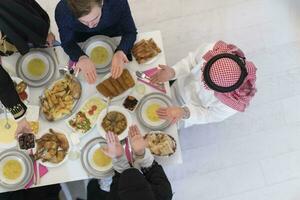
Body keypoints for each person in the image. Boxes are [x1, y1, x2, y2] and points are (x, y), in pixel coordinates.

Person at [150, 41, 257, 128]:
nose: (201, 81)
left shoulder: (234, 102)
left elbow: (209, 115)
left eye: (206, 83)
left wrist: (184, 112)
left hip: (190, 110)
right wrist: (173, 72)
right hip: (178, 86)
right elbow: (191, 61)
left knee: (164, 127)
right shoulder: (213, 50)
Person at [0, 0, 56, 135]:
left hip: (16, 23)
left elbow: (33, 12)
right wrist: (20, 118)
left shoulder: (9, 5)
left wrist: (45, 32)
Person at [55, 0, 137, 84]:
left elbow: (130, 32)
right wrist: (80, 57)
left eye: (95, 18)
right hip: (81, 39)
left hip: (113, 34)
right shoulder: (62, 10)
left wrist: (121, 50)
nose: (90, 26)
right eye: (84, 21)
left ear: (102, 2)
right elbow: (67, 42)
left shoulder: (118, 2)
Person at [87, 125, 173, 200]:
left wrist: (119, 157)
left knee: (92, 186)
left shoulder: (113, 197)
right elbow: (152, 169)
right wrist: (141, 152)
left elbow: (117, 179)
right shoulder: (164, 193)